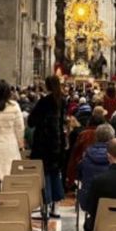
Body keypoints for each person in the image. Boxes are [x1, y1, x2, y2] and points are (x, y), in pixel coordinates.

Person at [28, 75, 66, 216]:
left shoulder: (43, 102)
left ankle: (46, 202)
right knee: (56, 173)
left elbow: (31, 121)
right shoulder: (62, 100)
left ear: (47, 86)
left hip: (43, 142)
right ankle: (56, 206)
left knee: (44, 174)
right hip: (58, 142)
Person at [77, 123, 115, 212]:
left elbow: (79, 175)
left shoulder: (86, 155)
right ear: (112, 138)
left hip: (88, 200)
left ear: (96, 137)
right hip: (112, 200)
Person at [66, 108, 106, 188]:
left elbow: (75, 154)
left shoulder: (83, 135)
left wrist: (70, 176)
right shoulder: (107, 134)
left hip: (85, 169)